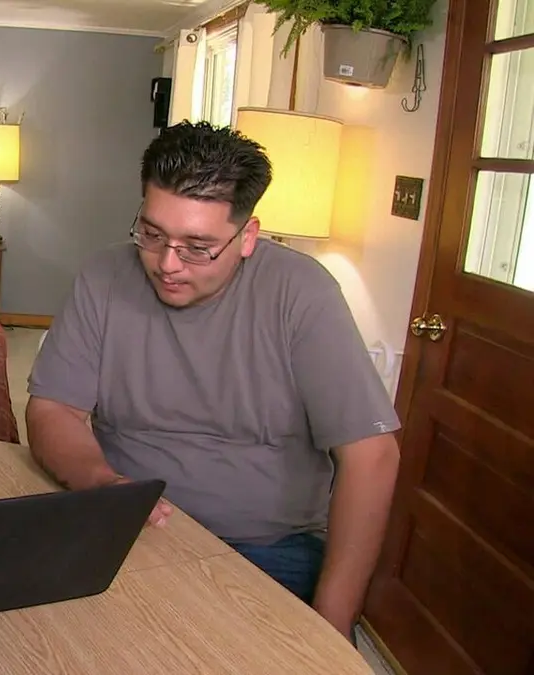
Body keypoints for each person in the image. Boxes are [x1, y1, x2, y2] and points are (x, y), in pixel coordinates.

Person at [25, 121, 400, 641]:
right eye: (152, 234)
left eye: (198, 246)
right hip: (126, 527)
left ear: (248, 237)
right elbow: (52, 410)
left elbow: (372, 457)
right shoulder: (103, 276)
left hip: (267, 548)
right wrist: (101, 483)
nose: (167, 264)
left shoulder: (303, 293)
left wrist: (333, 625)